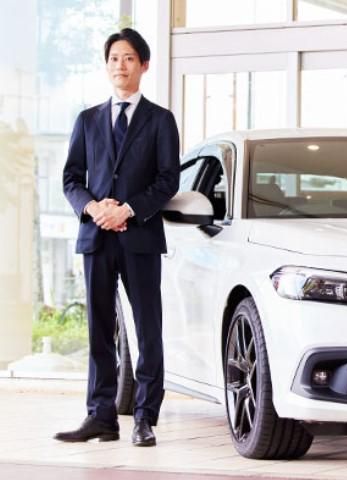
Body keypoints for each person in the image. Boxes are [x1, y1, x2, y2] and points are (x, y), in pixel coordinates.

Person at [56, 28, 180, 447]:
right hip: (96, 237)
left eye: (128, 58)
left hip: (139, 237)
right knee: (98, 330)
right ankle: (101, 417)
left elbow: (167, 180)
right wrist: (94, 209)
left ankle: (144, 417)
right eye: (113, 59)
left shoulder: (160, 120)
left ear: (144, 65)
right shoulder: (87, 119)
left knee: (148, 329)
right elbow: (72, 179)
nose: (119, 66)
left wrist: (127, 209)